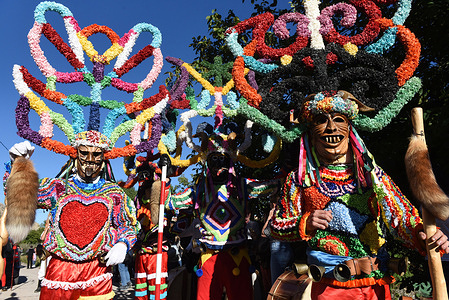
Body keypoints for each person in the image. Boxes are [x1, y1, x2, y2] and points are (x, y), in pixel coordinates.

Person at [270, 91, 449, 300]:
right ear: (311, 132)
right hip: (327, 287)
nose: (331, 128)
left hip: (374, 285)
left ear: (350, 129)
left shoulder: (373, 175)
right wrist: (305, 223)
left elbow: (400, 217)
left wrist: (423, 234)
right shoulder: (300, 179)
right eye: (321, 121)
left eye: (339, 120)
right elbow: (277, 226)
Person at [8, 134, 140, 300]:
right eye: (84, 153)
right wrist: (20, 166)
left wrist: (123, 243)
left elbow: (129, 224)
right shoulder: (58, 188)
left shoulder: (114, 193)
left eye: (96, 154)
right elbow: (19, 195)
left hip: (97, 271)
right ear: (76, 154)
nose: (90, 159)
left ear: (103, 158)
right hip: (60, 271)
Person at [165, 130, 280, 300]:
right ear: (207, 163)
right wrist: (164, 177)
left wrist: (287, 166)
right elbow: (170, 202)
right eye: (214, 159)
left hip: (237, 255)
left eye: (223, 159)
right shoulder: (199, 190)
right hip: (208, 256)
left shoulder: (242, 186)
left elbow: (272, 186)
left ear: (230, 161)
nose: (219, 164)